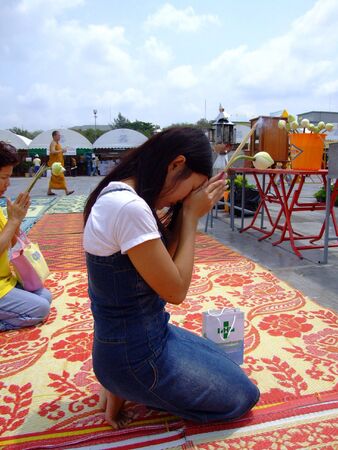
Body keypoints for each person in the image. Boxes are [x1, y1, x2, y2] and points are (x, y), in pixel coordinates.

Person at [83, 127, 259, 428]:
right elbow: (175, 291)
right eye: (192, 187)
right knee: (244, 395)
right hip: (137, 359)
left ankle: (119, 384)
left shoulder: (118, 193)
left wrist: (188, 208)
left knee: (228, 365)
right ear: (176, 164)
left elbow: (161, 264)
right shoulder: (129, 208)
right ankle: (127, 384)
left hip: (139, 342)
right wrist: (190, 218)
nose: (186, 197)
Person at [0, 141, 52, 331]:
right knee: (40, 308)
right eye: (4, 177)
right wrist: (12, 221)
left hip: (5, 281)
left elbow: (11, 245)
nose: (8, 184)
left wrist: (16, 221)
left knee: (44, 296)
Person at [47, 130, 74, 196]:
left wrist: (62, 151)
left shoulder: (57, 143)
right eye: (58, 135)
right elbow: (52, 151)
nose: (59, 137)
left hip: (57, 164)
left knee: (53, 178)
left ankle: (49, 191)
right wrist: (62, 150)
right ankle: (66, 191)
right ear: (54, 136)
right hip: (55, 165)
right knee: (61, 177)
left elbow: (58, 152)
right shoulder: (53, 143)